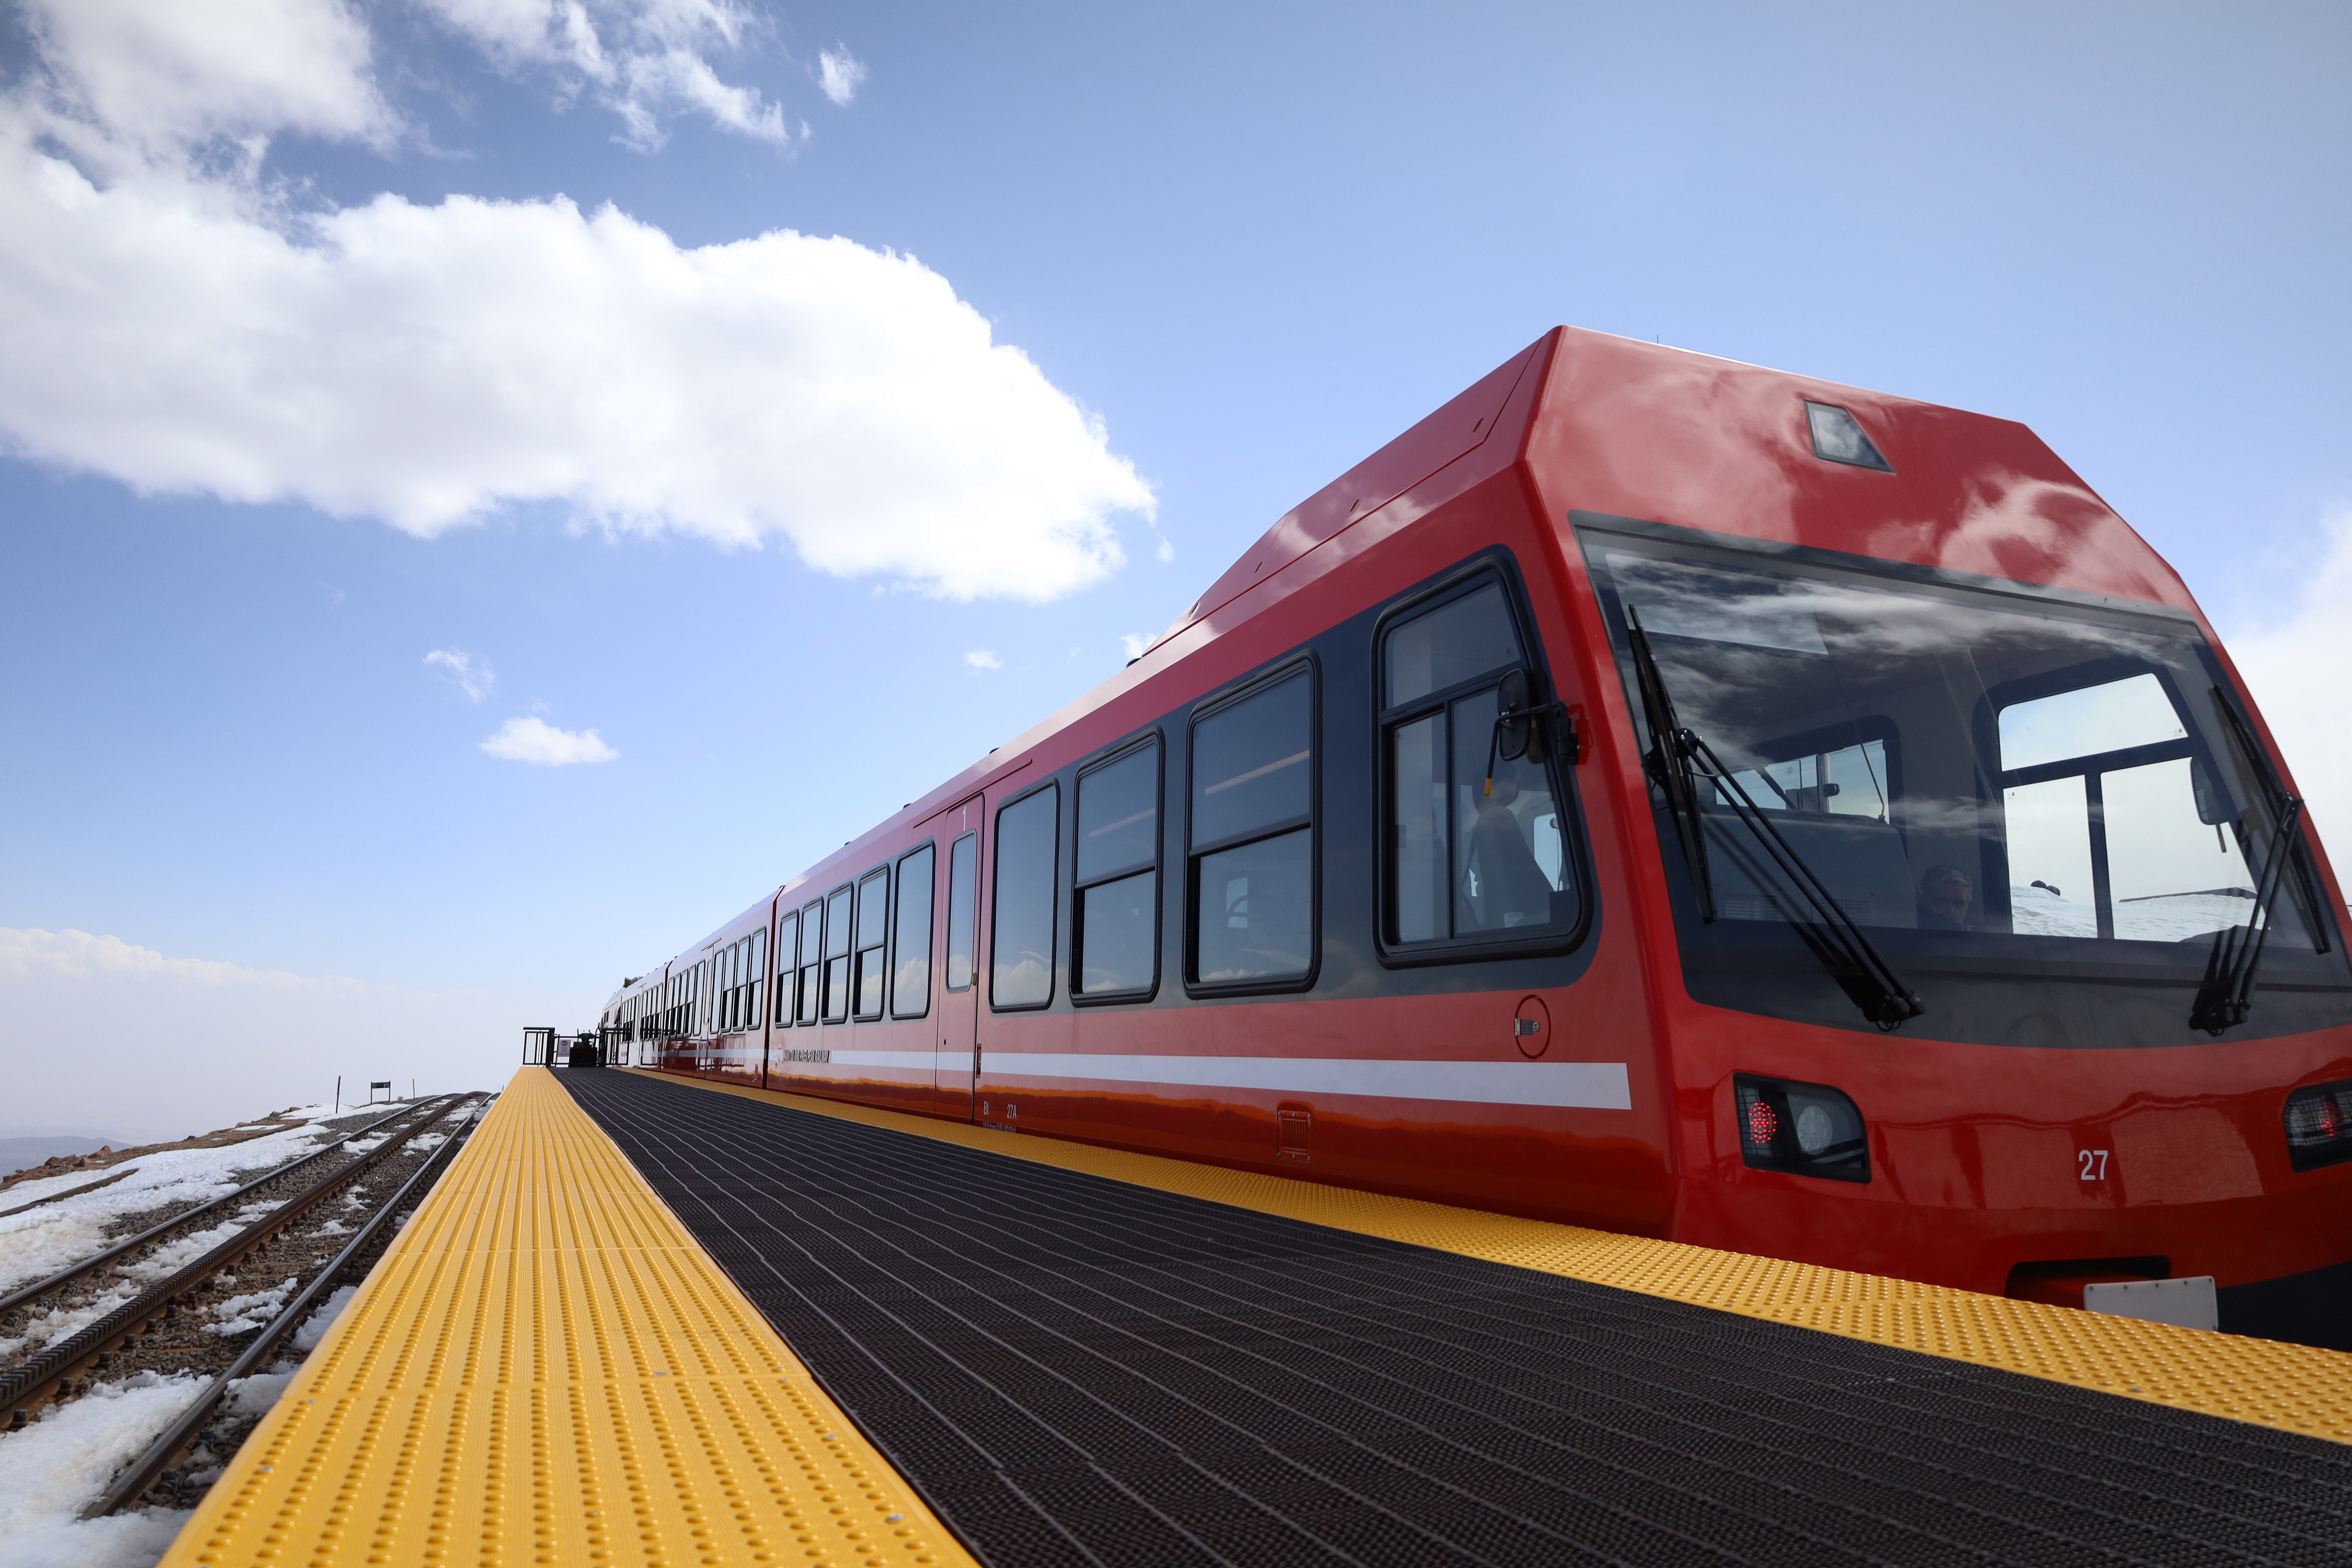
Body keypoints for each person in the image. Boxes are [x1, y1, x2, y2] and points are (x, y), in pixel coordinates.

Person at [1916, 865, 1975, 930]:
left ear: (1968, 907)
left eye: (1959, 903)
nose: (1951, 910)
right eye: (1942, 902)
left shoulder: (1980, 935)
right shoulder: (1910, 929)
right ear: (1925, 902)